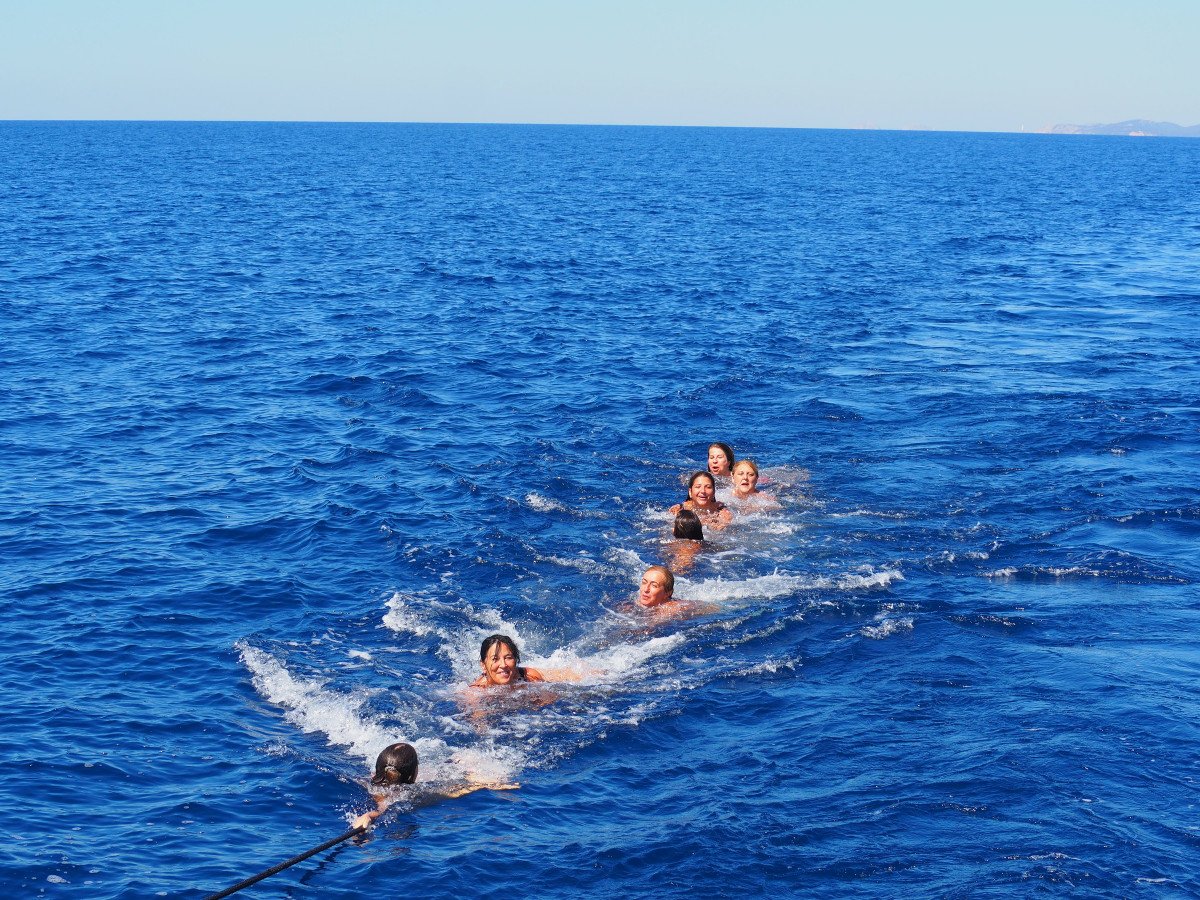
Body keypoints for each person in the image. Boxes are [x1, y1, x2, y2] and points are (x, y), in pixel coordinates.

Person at [351, 742, 518, 831]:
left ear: (377, 768)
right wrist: (491, 785)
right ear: (414, 772)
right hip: (438, 774)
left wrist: (367, 816)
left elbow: (381, 809)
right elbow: (460, 789)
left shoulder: (372, 783)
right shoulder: (410, 793)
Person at [351, 742, 418, 830]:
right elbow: (383, 808)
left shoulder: (365, 781)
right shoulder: (398, 793)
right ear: (412, 774)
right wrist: (369, 816)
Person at [470, 634, 546, 688]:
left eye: (508, 658)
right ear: (483, 665)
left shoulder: (530, 677)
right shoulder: (476, 692)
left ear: (515, 660)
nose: (503, 665)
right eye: (495, 659)